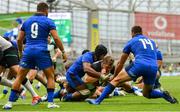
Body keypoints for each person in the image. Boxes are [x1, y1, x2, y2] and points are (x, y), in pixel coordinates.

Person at [87, 26, 178, 105]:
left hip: (139, 64)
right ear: (141, 33)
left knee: (116, 81)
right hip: (153, 68)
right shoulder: (152, 42)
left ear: (133, 33)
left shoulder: (131, 41)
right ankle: (163, 94)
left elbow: (121, 63)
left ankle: (98, 101)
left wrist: (115, 77)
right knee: (147, 94)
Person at [3, 2, 67, 109]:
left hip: (28, 51)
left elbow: (19, 39)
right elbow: (56, 38)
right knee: (50, 76)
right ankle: (50, 103)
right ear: (46, 11)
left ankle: (9, 103)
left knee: (19, 77)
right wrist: (63, 52)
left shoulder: (27, 21)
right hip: (42, 51)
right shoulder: (48, 21)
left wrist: (20, 52)